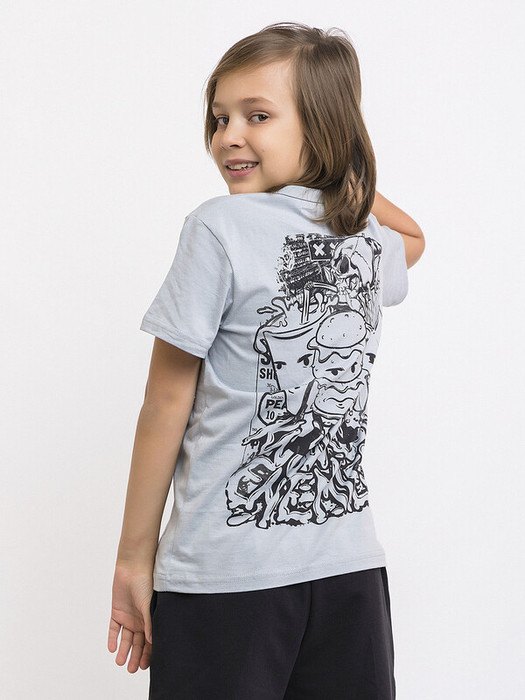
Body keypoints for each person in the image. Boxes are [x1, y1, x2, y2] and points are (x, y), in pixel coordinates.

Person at [107, 21, 425, 700]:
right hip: (347, 575)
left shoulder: (218, 226)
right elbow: (415, 237)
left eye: (257, 116)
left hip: (225, 578)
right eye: (219, 117)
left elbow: (165, 403)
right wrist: (343, 179)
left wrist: (133, 560)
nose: (228, 136)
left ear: (324, 125)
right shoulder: (362, 238)